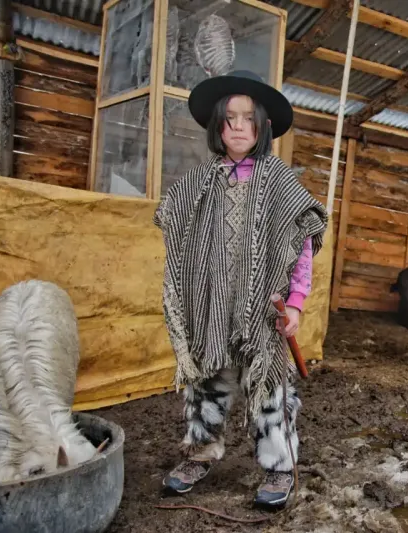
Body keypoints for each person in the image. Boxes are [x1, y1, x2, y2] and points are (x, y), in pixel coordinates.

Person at [152, 70, 328, 508]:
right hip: (211, 308)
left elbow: (301, 243)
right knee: (207, 381)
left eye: (248, 118)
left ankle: (279, 466)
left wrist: (296, 304)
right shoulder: (199, 185)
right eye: (228, 118)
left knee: (270, 388)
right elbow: (173, 220)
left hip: (264, 313)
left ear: (264, 126)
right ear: (216, 125)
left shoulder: (281, 185)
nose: (237, 127)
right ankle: (199, 453)